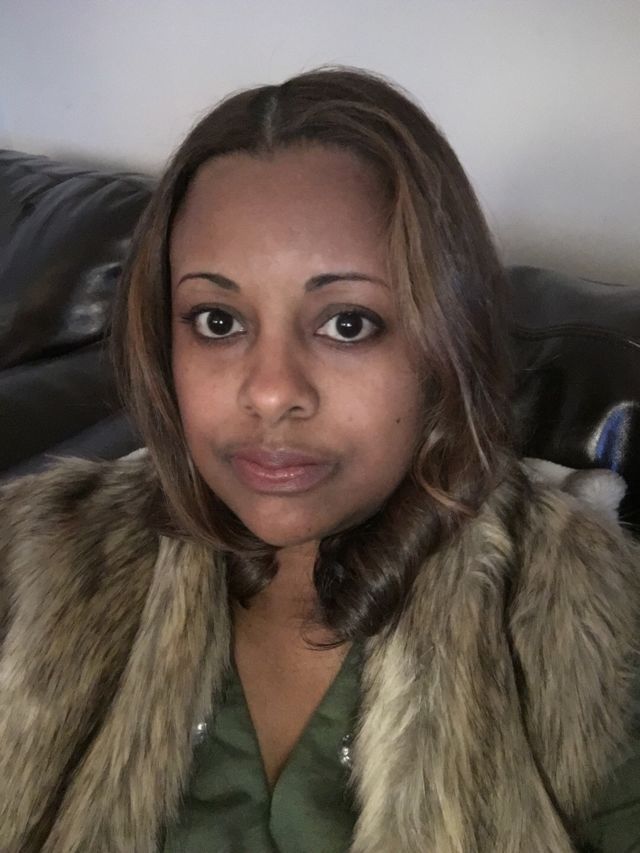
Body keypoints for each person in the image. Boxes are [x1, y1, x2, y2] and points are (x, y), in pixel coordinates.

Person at [0, 66, 638, 853]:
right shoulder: (35, 562)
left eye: (347, 324)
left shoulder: (583, 619)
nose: (271, 392)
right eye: (217, 320)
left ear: (444, 345)